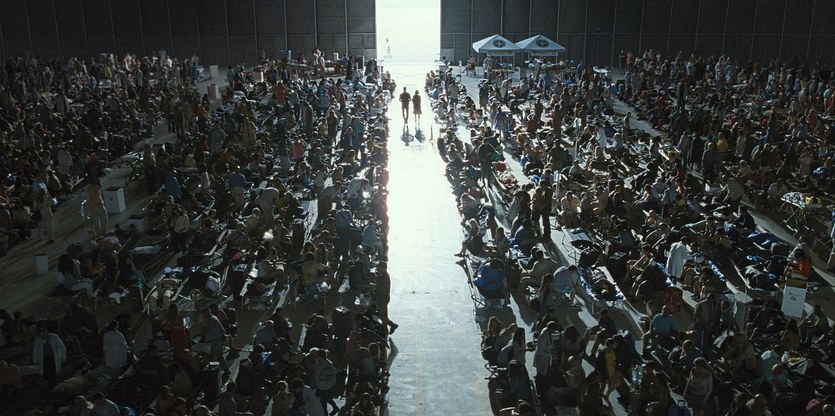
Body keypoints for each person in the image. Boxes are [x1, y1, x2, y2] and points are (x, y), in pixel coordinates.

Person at [202, 307, 230, 376]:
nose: (203, 316)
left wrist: (203, 331)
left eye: (203, 314)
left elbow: (208, 329)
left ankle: (224, 370)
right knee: (213, 355)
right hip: (216, 339)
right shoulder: (212, 318)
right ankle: (211, 369)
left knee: (218, 355)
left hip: (217, 340)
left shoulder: (212, 320)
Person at [374, 261, 399, 334]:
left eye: (379, 268)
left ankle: (393, 325)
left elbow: (381, 290)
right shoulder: (383, 276)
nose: (378, 269)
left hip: (382, 299)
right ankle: (385, 331)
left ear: (384, 268)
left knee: (381, 316)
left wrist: (376, 297)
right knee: (384, 315)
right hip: (384, 298)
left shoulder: (384, 278)